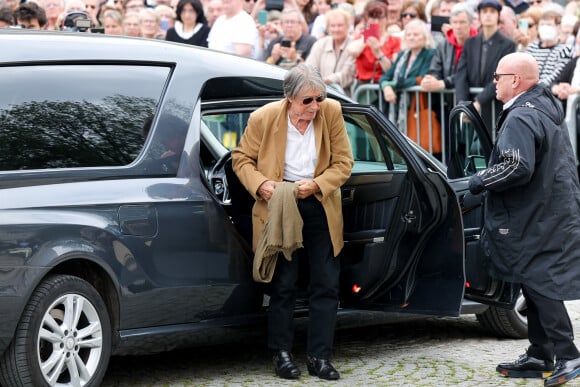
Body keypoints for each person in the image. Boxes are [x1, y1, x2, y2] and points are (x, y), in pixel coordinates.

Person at [231, 63, 354, 381]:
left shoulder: (331, 112)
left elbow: (343, 162)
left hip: (319, 203)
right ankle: (282, 354)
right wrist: (261, 185)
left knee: (326, 283)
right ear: (289, 98)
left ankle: (320, 356)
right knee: (284, 284)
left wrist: (318, 185)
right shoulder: (264, 117)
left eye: (319, 99)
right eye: (307, 101)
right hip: (281, 205)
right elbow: (241, 158)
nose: (314, 107)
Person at [468, 52, 580, 387]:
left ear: (515, 80)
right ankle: (539, 353)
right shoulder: (541, 107)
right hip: (549, 208)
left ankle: (569, 354)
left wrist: (478, 181)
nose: (494, 83)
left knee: (538, 281)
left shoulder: (520, 116)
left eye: (498, 76)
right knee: (532, 279)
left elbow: (517, 165)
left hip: (536, 212)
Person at [455, 0, 516, 134]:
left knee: (491, 147)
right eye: (484, 12)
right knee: (468, 150)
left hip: (493, 106)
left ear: (498, 16)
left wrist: (479, 101)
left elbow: (500, 76)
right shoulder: (470, 43)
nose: (488, 15)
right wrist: (463, 104)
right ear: (479, 16)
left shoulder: (508, 44)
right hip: (470, 107)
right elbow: (461, 75)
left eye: (492, 12)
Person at [380, 19, 438, 155]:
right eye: (409, 34)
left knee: (418, 150)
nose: (412, 37)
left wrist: (393, 85)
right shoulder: (402, 55)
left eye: (416, 34)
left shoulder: (430, 53)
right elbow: (385, 76)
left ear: (425, 36)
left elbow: (420, 78)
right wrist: (386, 87)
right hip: (400, 108)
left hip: (419, 106)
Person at [347, 0, 401, 104]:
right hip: (363, 88)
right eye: (372, 17)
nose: (376, 22)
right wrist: (367, 37)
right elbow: (352, 51)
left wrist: (379, 53)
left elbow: (392, 69)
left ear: (386, 18)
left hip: (385, 88)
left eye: (380, 18)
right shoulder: (361, 39)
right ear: (366, 19)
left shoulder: (394, 40)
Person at [305, 8, 356, 95]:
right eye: (332, 26)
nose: (336, 29)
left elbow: (347, 74)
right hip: (319, 94)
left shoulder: (354, 45)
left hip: (344, 96)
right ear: (328, 28)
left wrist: (327, 80)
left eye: (340, 25)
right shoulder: (320, 44)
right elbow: (309, 67)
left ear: (348, 26)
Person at [525, 10, 573, 85]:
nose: (545, 27)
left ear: (559, 28)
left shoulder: (565, 50)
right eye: (542, 24)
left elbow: (558, 74)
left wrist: (537, 87)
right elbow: (525, 70)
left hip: (547, 92)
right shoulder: (531, 47)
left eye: (549, 24)